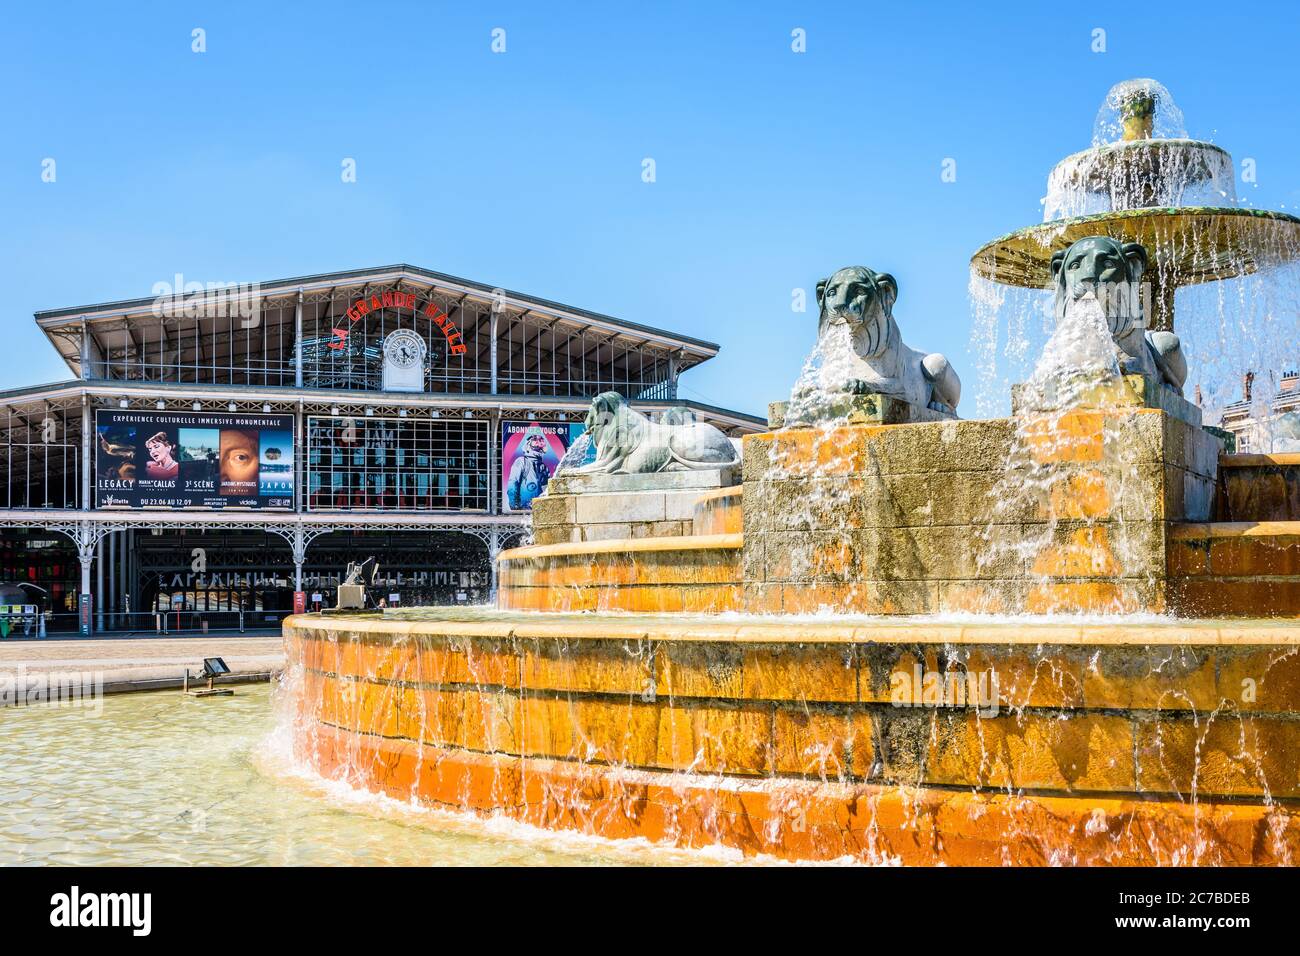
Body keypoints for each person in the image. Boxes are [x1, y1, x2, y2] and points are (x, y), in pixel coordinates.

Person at [506, 426, 552, 510]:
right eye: (535, 440)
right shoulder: (521, 462)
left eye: (540, 440)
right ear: (528, 445)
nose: (538, 442)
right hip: (523, 507)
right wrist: (514, 505)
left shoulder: (543, 467)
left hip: (539, 508)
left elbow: (547, 488)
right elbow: (512, 483)